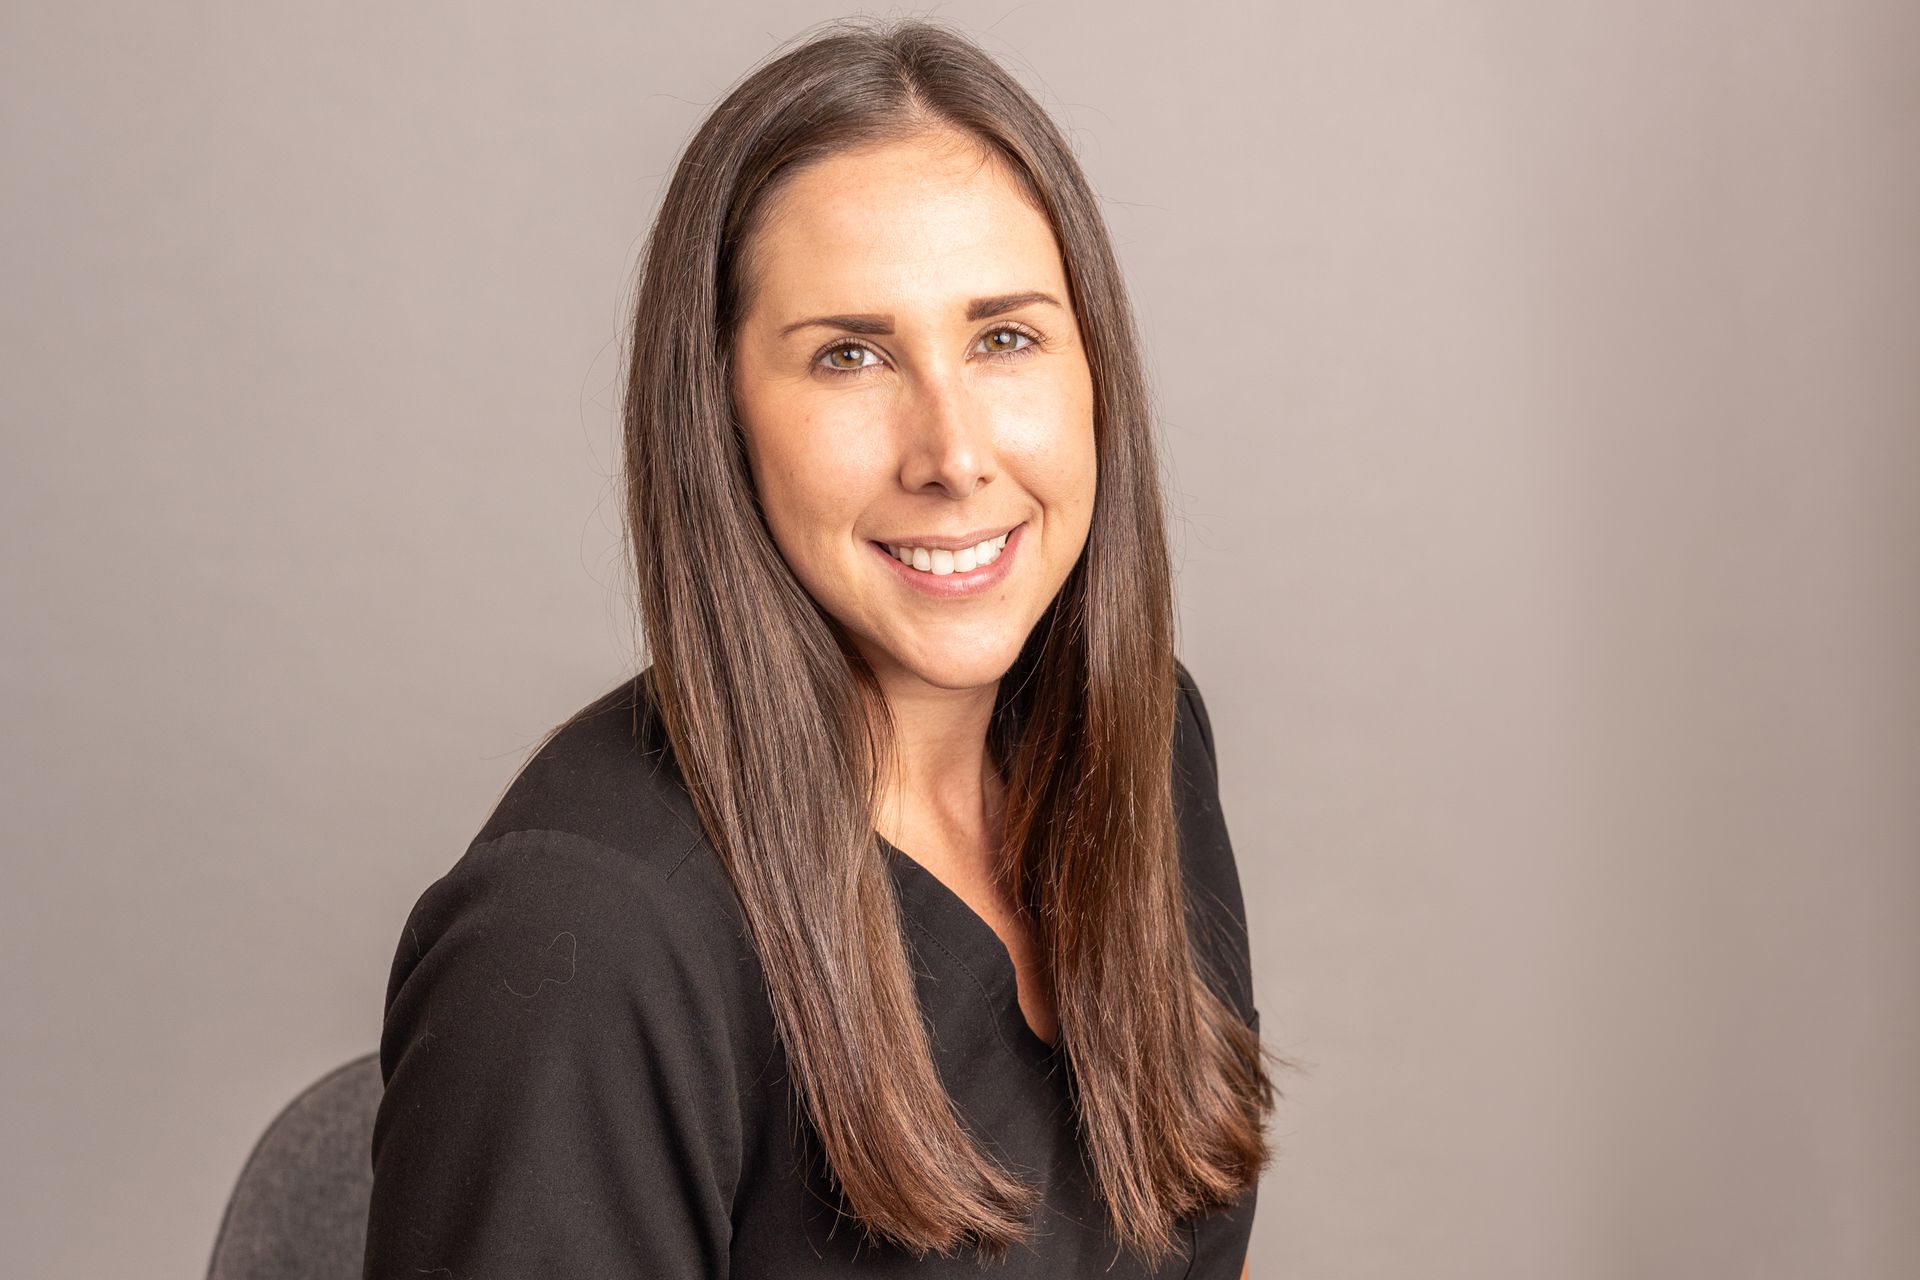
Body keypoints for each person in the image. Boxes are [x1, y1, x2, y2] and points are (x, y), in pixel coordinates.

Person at [361, 16, 1284, 1279]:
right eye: (850, 355)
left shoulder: (1138, 743)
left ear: (1094, 371)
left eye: (1004, 337)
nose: (953, 453)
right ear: (720, 414)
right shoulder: (579, 939)